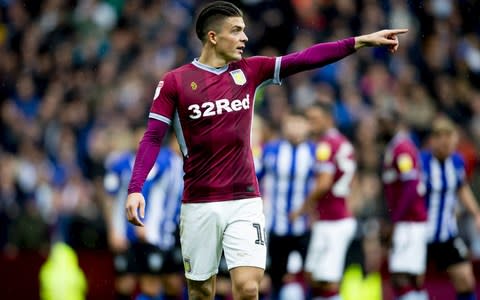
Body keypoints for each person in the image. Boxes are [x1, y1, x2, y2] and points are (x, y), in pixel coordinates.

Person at [125, 1, 408, 298]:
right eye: (236, 31)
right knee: (201, 293)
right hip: (199, 202)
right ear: (212, 37)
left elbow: (305, 58)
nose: (245, 38)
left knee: (248, 287)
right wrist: (135, 188)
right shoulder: (175, 82)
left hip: (245, 200)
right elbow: (153, 138)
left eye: (244, 31)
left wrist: (359, 42)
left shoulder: (250, 71)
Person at [104, 132, 184, 300]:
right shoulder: (162, 160)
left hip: (172, 231)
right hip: (151, 232)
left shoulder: (182, 162)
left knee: (172, 283)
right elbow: (143, 185)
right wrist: (143, 221)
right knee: (145, 284)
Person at [290, 102, 357, 300]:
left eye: (314, 120)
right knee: (313, 275)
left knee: (327, 280)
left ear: (328, 119)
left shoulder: (325, 145)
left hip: (334, 221)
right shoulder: (341, 142)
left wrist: (301, 209)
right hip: (333, 218)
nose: (310, 124)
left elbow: (323, 184)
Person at [256, 111, 314, 299]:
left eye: (300, 124)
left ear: (307, 127)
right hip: (275, 226)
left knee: (309, 276)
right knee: (275, 278)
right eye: (291, 123)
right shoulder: (270, 150)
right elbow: (255, 178)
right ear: (284, 125)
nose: (295, 128)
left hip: (303, 227)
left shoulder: (315, 151)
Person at [421, 117, 480, 300]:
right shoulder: (420, 162)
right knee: (413, 281)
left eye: (450, 137)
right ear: (433, 140)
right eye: (440, 137)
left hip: (446, 233)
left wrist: (476, 213)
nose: (446, 143)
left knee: (465, 279)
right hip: (421, 233)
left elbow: (462, 189)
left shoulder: (456, 161)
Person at [380, 112, 428, 300]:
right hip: (407, 220)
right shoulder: (396, 147)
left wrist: (395, 219)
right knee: (410, 276)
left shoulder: (402, 148)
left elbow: (411, 186)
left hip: (409, 221)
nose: (380, 128)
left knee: (402, 275)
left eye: (383, 123)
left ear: (395, 123)